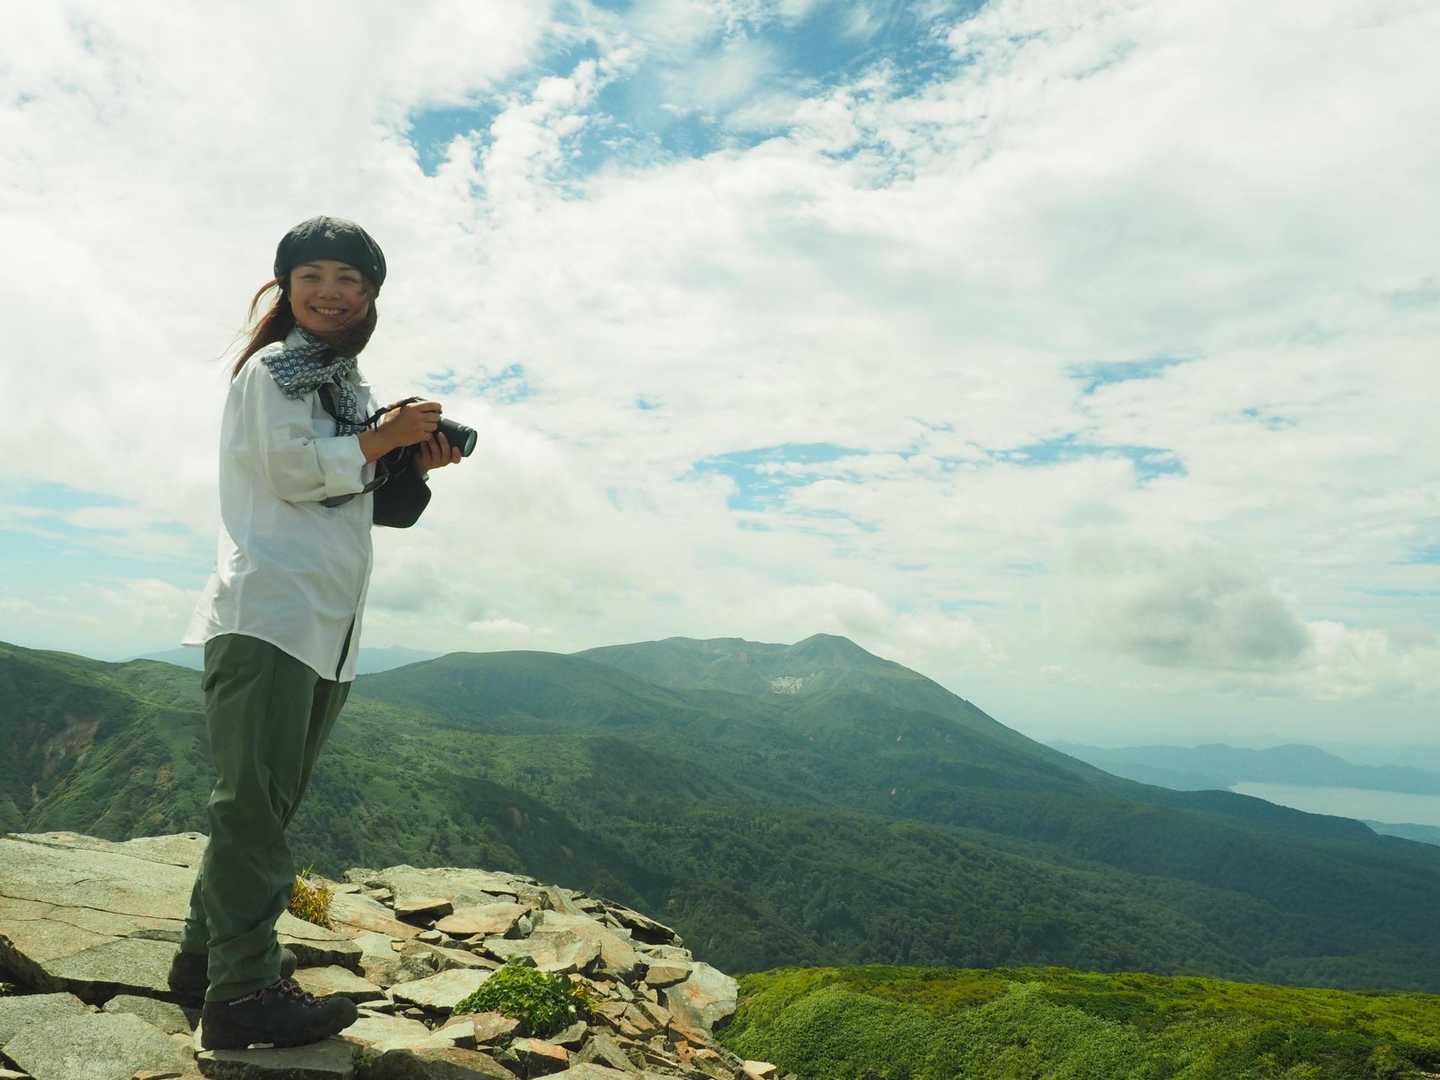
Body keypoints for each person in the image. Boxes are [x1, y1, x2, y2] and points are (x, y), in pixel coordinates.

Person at [173, 216, 461, 1049]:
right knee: (252, 810)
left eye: (349, 279)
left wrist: (408, 463)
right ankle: (242, 995)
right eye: (313, 277)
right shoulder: (275, 372)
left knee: (264, 807)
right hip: (272, 612)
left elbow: (363, 502)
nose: (331, 292)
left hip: (325, 623)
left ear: (370, 295)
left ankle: (205, 960)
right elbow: (293, 473)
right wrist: (383, 437)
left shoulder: (345, 384)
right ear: (286, 287)